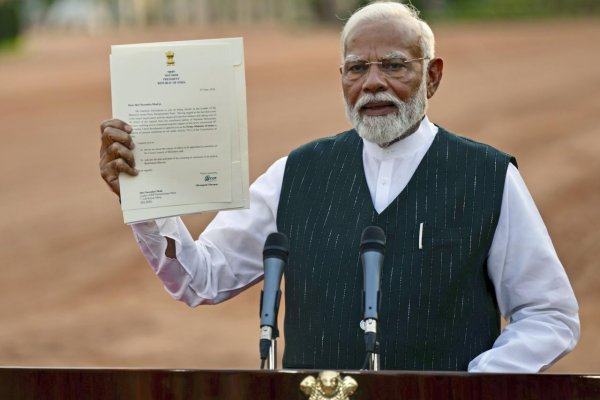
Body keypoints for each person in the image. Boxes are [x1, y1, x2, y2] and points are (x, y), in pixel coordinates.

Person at [99, 1, 579, 372]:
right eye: (356, 68)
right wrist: (143, 198)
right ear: (341, 78)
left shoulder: (488, 177)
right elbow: (201, 278)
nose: (373, 83)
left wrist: (473, 386)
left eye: (394, 66)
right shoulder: (296, 173)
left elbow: (549, 315)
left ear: (432, 77)